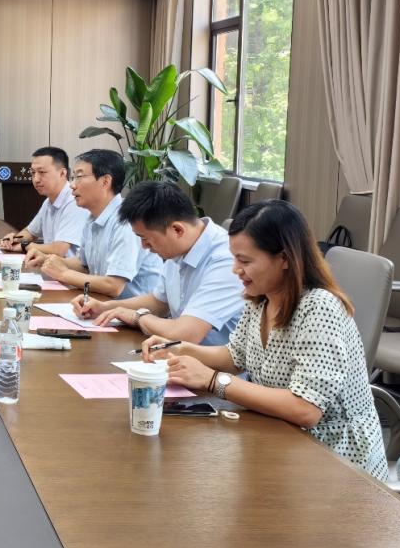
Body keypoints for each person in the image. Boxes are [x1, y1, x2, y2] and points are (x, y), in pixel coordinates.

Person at [142, 200, 387, 480]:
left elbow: (306, 409)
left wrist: (213, 381)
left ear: (284, 258)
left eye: (245, 261)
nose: (236, 269)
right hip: (282, 440)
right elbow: (235, 356)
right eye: (235, 258)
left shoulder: (319, 307)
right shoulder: (260, 298)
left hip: (336, 463)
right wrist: (182, 350)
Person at [72, 180, 244, 344]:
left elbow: (186, 334)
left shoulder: (226, 260)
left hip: (210, 363)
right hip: (178, 354)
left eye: (146, 238)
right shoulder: (178, 248)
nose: (144, 246)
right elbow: (159, 302)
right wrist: (105, 308)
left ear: (177, 230)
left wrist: (137, 317)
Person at [27, 149, 162, 298]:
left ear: (105, 181)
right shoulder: (92, 217)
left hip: (132, 310)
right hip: (101, 304)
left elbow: (114, 286)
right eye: (73, 177)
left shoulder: (125, 221)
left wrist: (63, 273)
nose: (72, 185)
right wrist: (47, 260)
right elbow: (84, 265)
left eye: (79, 177)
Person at [0, 147, 88, 258]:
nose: (36, 179)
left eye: (42, 172)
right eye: (33, 173)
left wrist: (25, 245)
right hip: (51, 265)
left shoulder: (75, 201)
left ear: (62, 173)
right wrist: (14, 240)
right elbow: (30, 232)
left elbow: (59, 250)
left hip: (69, 267)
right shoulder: (48, 201)